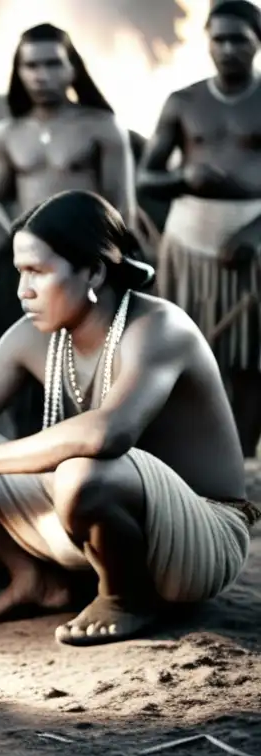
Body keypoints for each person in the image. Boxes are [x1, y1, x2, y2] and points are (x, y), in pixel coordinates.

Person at [0, 190, 257, 647]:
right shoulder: (33, 338)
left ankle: (125, 597)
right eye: (20, 272)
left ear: (95, 270)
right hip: (93, 514)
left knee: (81, 473)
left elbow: (107, 432)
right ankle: (33, 578)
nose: (23, 290)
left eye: (38, 271)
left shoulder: (158, 328)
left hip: (200, 540)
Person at [0, 24, 136, 438]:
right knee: (17, 358)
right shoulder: (9, 132)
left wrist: (103, 257)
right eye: (30, 65)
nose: (41, 75)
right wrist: (19, 238)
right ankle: (27, 451)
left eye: (52, 64)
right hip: (22, 262)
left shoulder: (101, 126)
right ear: (19, 72)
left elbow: (121, 204)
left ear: (72, 70)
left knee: (96, 357)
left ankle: (86, 443)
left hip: (84, 261)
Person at [137, 0, 261, 459]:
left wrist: (254, 235)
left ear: (257, 43)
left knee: (250, 356)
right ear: (207, 42)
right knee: (186, 351)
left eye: (239, 40)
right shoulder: (183, 102)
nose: (228, 49)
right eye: (220, 39)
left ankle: (244, 461)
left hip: (252, 237)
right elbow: (146, 178)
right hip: (188, 237)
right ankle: (192, 457)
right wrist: (182, 179)